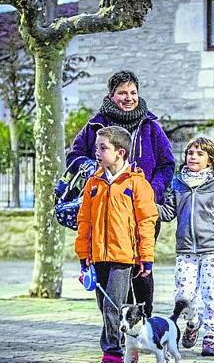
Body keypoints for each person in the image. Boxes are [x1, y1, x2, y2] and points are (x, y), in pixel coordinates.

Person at [67, 70, 175, 320]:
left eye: (133, 92)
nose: (128, 98)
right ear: (111, 95)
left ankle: (145, 321)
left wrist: (152, 191)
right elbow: (74, 157)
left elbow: (167, 164)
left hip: (142, 208)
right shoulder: (95, 126)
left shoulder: (151, 127)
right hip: (108, 209)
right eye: (122, 93)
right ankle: (124, 325)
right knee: (114, 266)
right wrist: (97, 173)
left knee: (142, 263)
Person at [75, 126, 158, 363]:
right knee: (104, 307)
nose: (97, 152)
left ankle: (112, 352)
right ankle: (129, 342)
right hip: (98, 256)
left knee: (114, 306)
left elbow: (146, 222)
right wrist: (84, 255)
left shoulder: (137, 184)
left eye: (103, 148)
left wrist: (146, 257)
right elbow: (84, 221)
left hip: (123, 258)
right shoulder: (93, 183)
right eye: (97, 147)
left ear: (120, 152)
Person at [166, 137, 214, 357]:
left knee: (211, 293)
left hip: (212, 249)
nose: (193, 157)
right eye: (190, 152)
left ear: (210, 160)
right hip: (185, 250)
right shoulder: (177, 183)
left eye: (199, 154)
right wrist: (146, 205)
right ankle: (192, 323)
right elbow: (168, 213)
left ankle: (210, 336)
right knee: (183, 295)